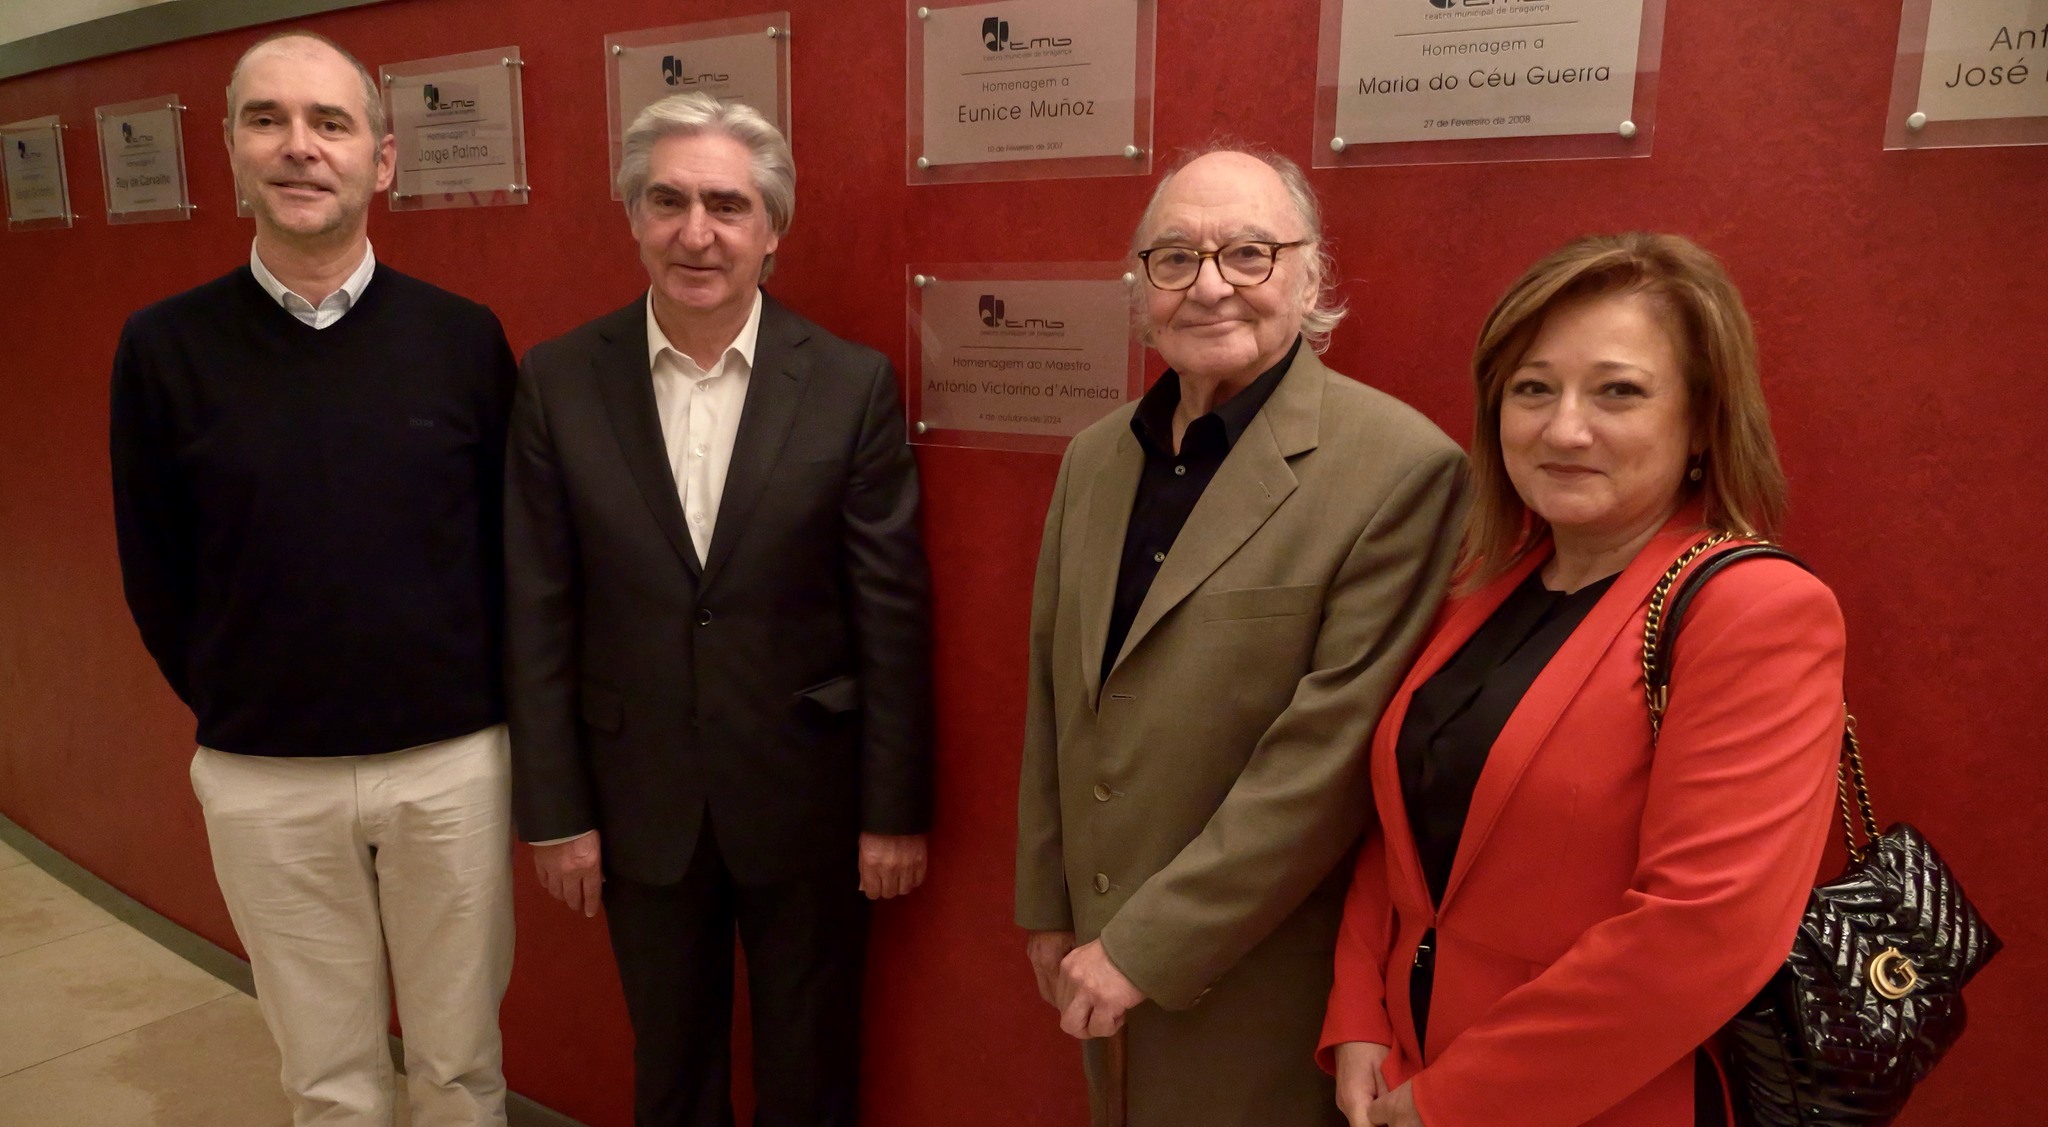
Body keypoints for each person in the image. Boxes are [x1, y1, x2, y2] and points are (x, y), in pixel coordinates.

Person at [1318, 233, 1848, 1127]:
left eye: (1619, 391)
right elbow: (1401, 817)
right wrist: (1358, 1014)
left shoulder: (1757, 611)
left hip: (1599, 1101)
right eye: (1533, 388)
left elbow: (1699, 938)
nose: (1564, 428)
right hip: (1403, 1068)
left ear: (1700, 421)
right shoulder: (1486, 581)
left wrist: (1451, 1103)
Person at [108, 30, 517, 1127]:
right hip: (263, 773)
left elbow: (510, 552)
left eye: (331, 123)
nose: (300, 148)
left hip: (451, 767)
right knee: (326, 1078)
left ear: (381, 161)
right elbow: (154, 567)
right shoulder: (162, 348)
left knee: (461, 1067)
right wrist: (241, 690)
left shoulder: (464, 340)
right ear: (232, 154)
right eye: (268, 121)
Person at [1014, 147, 1470, 1127]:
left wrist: (1149, 941)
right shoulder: (1094, 459)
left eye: (1248, 254)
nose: (1209, 286)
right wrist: (1049, 900)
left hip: (1258, 975)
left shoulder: (1400, 469)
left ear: (1309, 275)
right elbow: (1055, 699)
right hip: (1094, 944)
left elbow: (1323, 762)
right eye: (1173, 258)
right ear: (1140, 286)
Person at [504, 91, 932, 1127]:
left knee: (811, 1067)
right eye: (669, 201)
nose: (696, 233)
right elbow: (535, 605)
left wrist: (892, 808)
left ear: (770, 229)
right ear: (633, 218)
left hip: (809, 803)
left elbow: (891, 613)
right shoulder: (559, 381)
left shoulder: (848, 383)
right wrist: (554, 811)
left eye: (727, 206)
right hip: (639, 802)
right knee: (672, 1065)